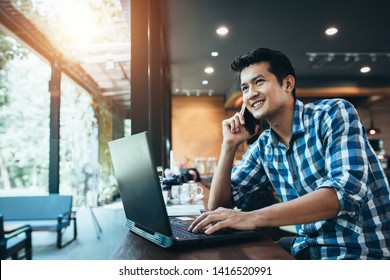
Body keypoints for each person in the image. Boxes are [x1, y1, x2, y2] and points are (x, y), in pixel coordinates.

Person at [188, 47, 390, 260]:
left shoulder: (332, 114)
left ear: (288, 84)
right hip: (308, 249)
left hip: (359, 253)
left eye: (259, 82)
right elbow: (219, 206)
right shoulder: (264, 146)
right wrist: (229, 146)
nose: (250, 94)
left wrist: (252, 218)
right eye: (245, 87)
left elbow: (345, 193)